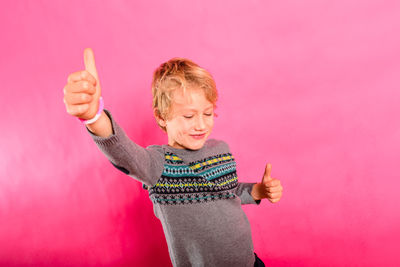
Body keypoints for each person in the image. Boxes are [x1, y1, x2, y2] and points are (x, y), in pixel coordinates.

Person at [63, 48, 283, 267]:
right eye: (188, 116)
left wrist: (258, 191)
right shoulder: (159, 164)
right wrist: (94, 117)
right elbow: (123, 152)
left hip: (250, 262)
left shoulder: (221, 148)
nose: (201, 124)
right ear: (161, 117)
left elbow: (229, 192)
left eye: (207, 113)